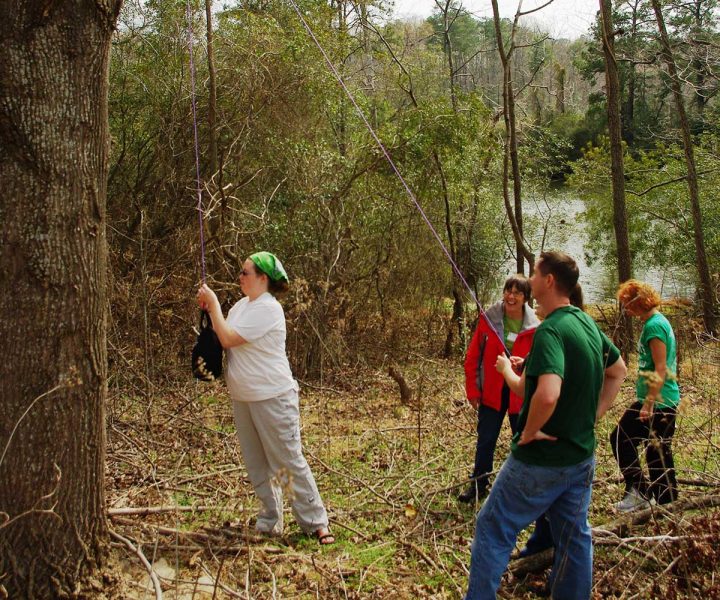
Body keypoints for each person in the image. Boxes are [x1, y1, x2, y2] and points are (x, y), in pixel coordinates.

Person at [465, 251, 627, 600]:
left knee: (491, 528)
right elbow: (618, 371)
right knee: (574, 536)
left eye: (535, 274)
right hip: (580, 456)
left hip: (541, 460)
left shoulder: (551, 329)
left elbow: (548, 393)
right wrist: (591, 415)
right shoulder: (583, 322)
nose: (530, 280)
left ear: (549, 281)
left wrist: (529, 431)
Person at [196, 251, 334, 544]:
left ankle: (314, 520)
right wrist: (211, 312)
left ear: (262, 278)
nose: (240, 277)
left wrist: (216, 306)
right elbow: (222, 336)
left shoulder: (268, 309)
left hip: (272, 397)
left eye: (245, 272)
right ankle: (270, 519)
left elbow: (230, 337)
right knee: (257, 463)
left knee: (284, 462)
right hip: (243, 399)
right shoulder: (241, 307)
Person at [459, 275, 540, 503]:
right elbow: (473, 356)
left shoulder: (536, 326)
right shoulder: (489, 319)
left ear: (525, 298)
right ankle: (478, 485)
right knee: (486, 439)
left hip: (520, 392)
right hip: (492, 392)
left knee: (522, 440)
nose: (511, 297)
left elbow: (539, 361)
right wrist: (473, 391)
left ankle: (524, 487)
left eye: (517, 293)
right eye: (508, 291)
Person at [611, 280, 680, 511]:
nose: (626, 310)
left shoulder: (654, 326)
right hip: (658, 400)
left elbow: (661, 367)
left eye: (627, 304)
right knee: (655, 452)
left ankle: (648, 495)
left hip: (660, 402)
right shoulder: (654, 322)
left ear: (639, 302)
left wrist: (649, 403)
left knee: (627, 440)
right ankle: (662, 501)